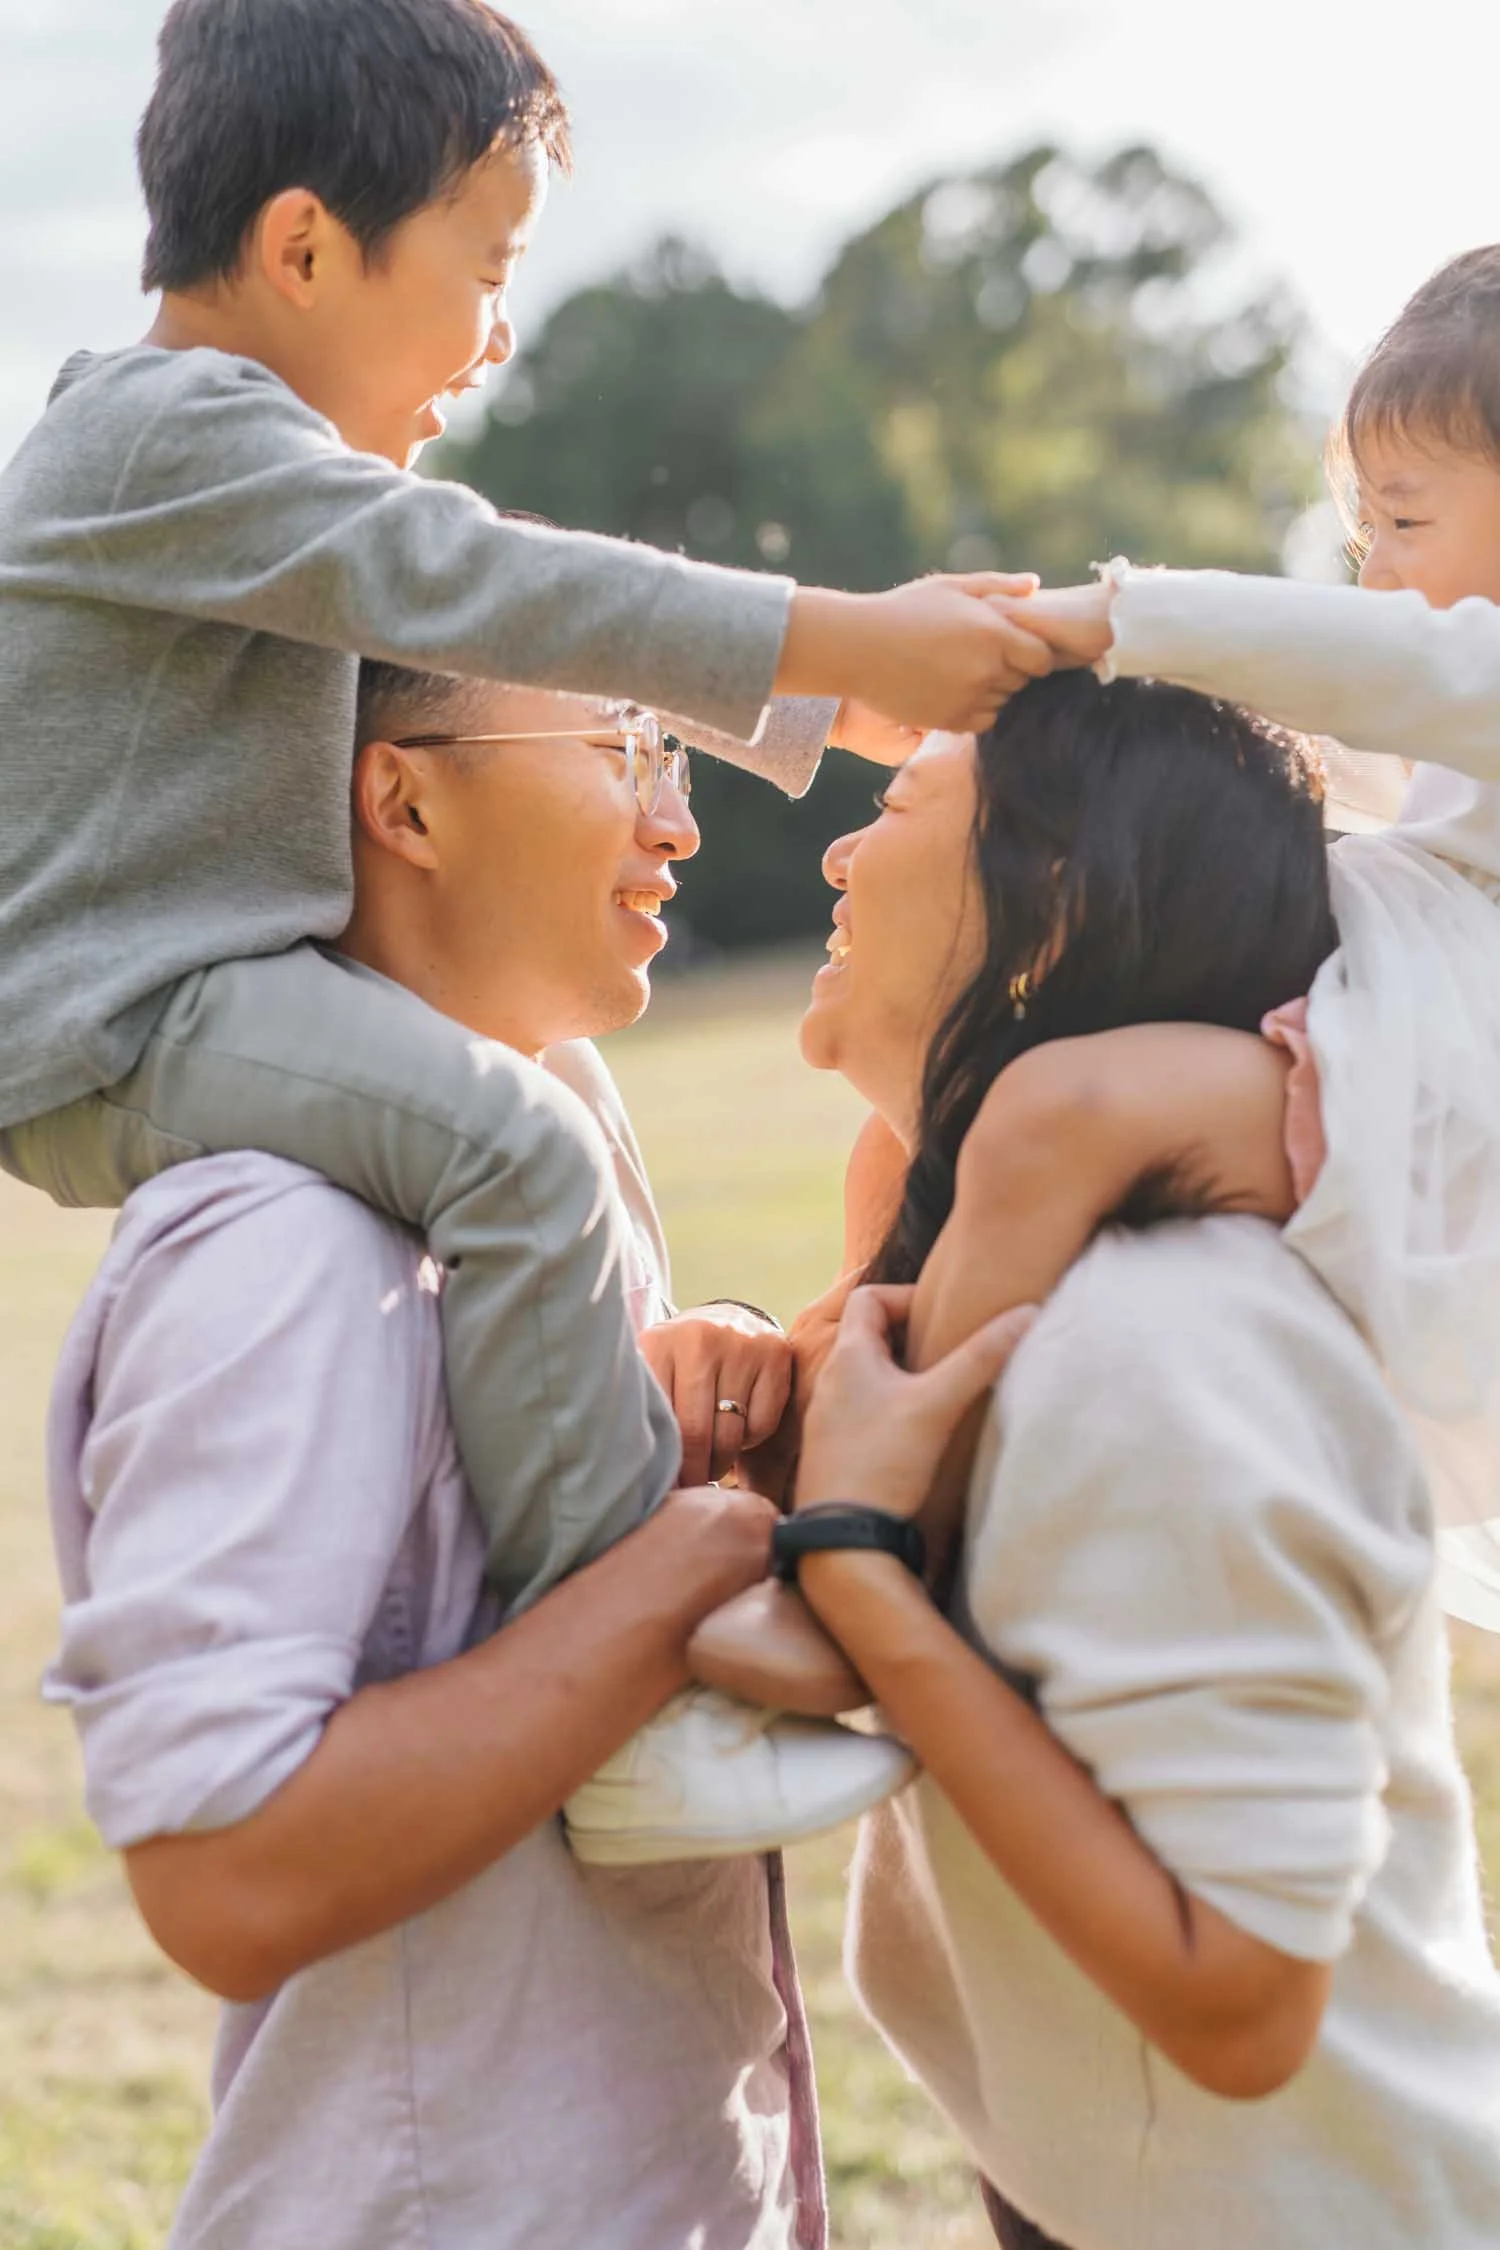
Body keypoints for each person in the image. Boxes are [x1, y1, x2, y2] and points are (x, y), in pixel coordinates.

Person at [0, 0, 1051, 1701]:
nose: (499, 336)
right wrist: (841, 640)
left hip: (217, 982)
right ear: (304, 248)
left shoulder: (241, 471)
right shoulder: (155, 436)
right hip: (121, 1017)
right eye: (488, 269)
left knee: (553, 1090)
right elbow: (485, 584)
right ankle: (632, 1641)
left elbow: (502, 603)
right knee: (519, 1155)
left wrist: (813, 712)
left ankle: (642, 1480)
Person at [44, 656, 1020, 2249]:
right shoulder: (280, 1241)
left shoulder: (547, 1115)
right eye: (624, 745)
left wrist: (709, 1375)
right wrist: (679, 1571)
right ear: (404, 800)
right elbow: (224, 1877)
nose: (675, 818)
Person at [773, 673, 1500, 2249]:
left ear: (1053, 903)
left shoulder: (1166, 1357)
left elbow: (1240, 2002)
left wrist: (854, 1576)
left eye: (891, 814)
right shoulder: (989, 1266)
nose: (835, 858)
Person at [859, 244, 1500, 1636]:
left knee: (1060, 1111)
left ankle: (874, 1537)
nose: (1376, 572)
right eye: (1362, 538)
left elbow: (1390, 669)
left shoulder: (1472, 673)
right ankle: (846, 1403)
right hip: (1403, 1038)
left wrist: (1107, 623)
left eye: (1405, 521)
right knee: (929, 1114)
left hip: (1455, 1105)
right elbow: (1333, 737)